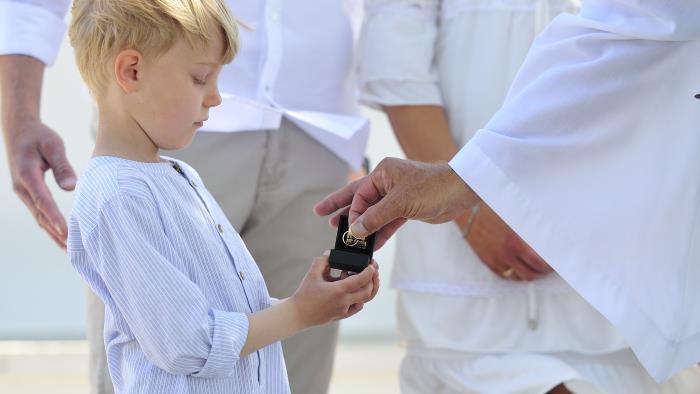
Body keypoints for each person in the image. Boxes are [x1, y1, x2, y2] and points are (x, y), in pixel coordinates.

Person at [316, 0, 700, 385]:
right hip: (464, 282)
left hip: (614, 265)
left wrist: (481, 186)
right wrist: (472, 208)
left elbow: (649, 34)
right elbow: (396, 51)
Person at [0, 1, 367, 392]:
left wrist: (313, 304)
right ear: (132, 71)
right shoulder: (118, 199)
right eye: (200, 78)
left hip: (318, 127)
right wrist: (296, 313)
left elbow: (221, 313)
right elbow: (189, 344)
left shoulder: (179, 175)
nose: (216, 98)